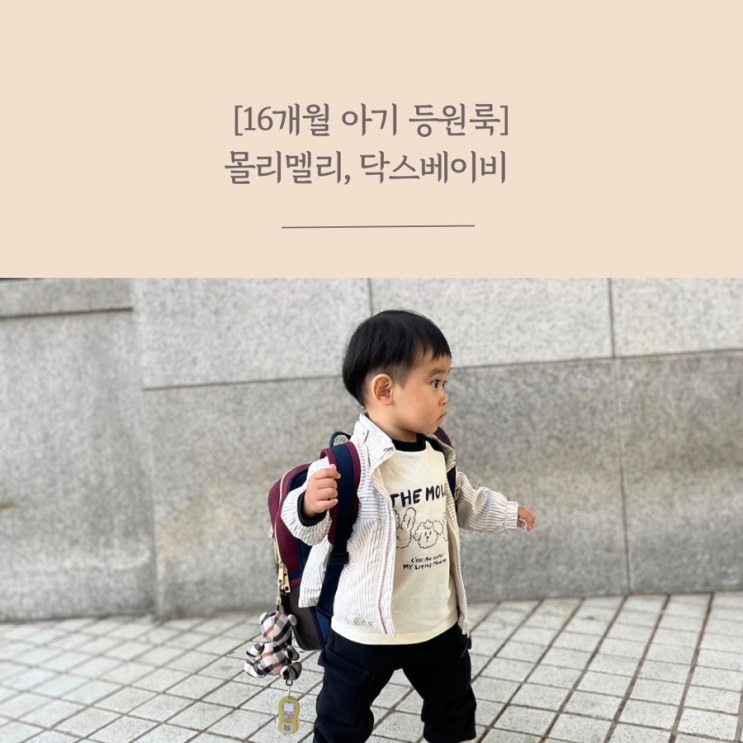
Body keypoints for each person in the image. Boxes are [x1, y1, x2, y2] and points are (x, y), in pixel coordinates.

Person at [280, 309, 536, 743]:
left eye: (445, 382)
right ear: (385, 390)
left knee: (453, 712)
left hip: (435, 623)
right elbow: (304, 526)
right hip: (364, 630)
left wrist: (509, 513)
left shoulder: (437, 454)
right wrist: (307, 506)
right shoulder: (347, 462)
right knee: (341, 722)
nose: (445, 396)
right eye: (434, 382)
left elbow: (465, 500)